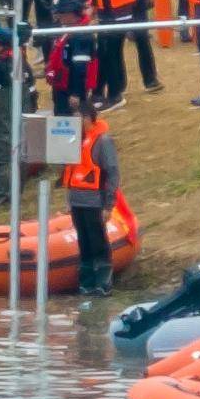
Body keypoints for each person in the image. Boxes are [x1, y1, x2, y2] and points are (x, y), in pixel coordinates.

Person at [63, 103, 119, 297]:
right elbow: (70, 171)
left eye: (78, 118)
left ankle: (103, 283)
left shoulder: (103, 141)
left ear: (87, 118)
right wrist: (68, 201)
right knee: (84, 243)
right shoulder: (74, 140)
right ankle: (86, 283)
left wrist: (108, 204)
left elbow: (112, 173)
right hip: (77, 201)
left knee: (98, 242)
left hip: (94, 202)